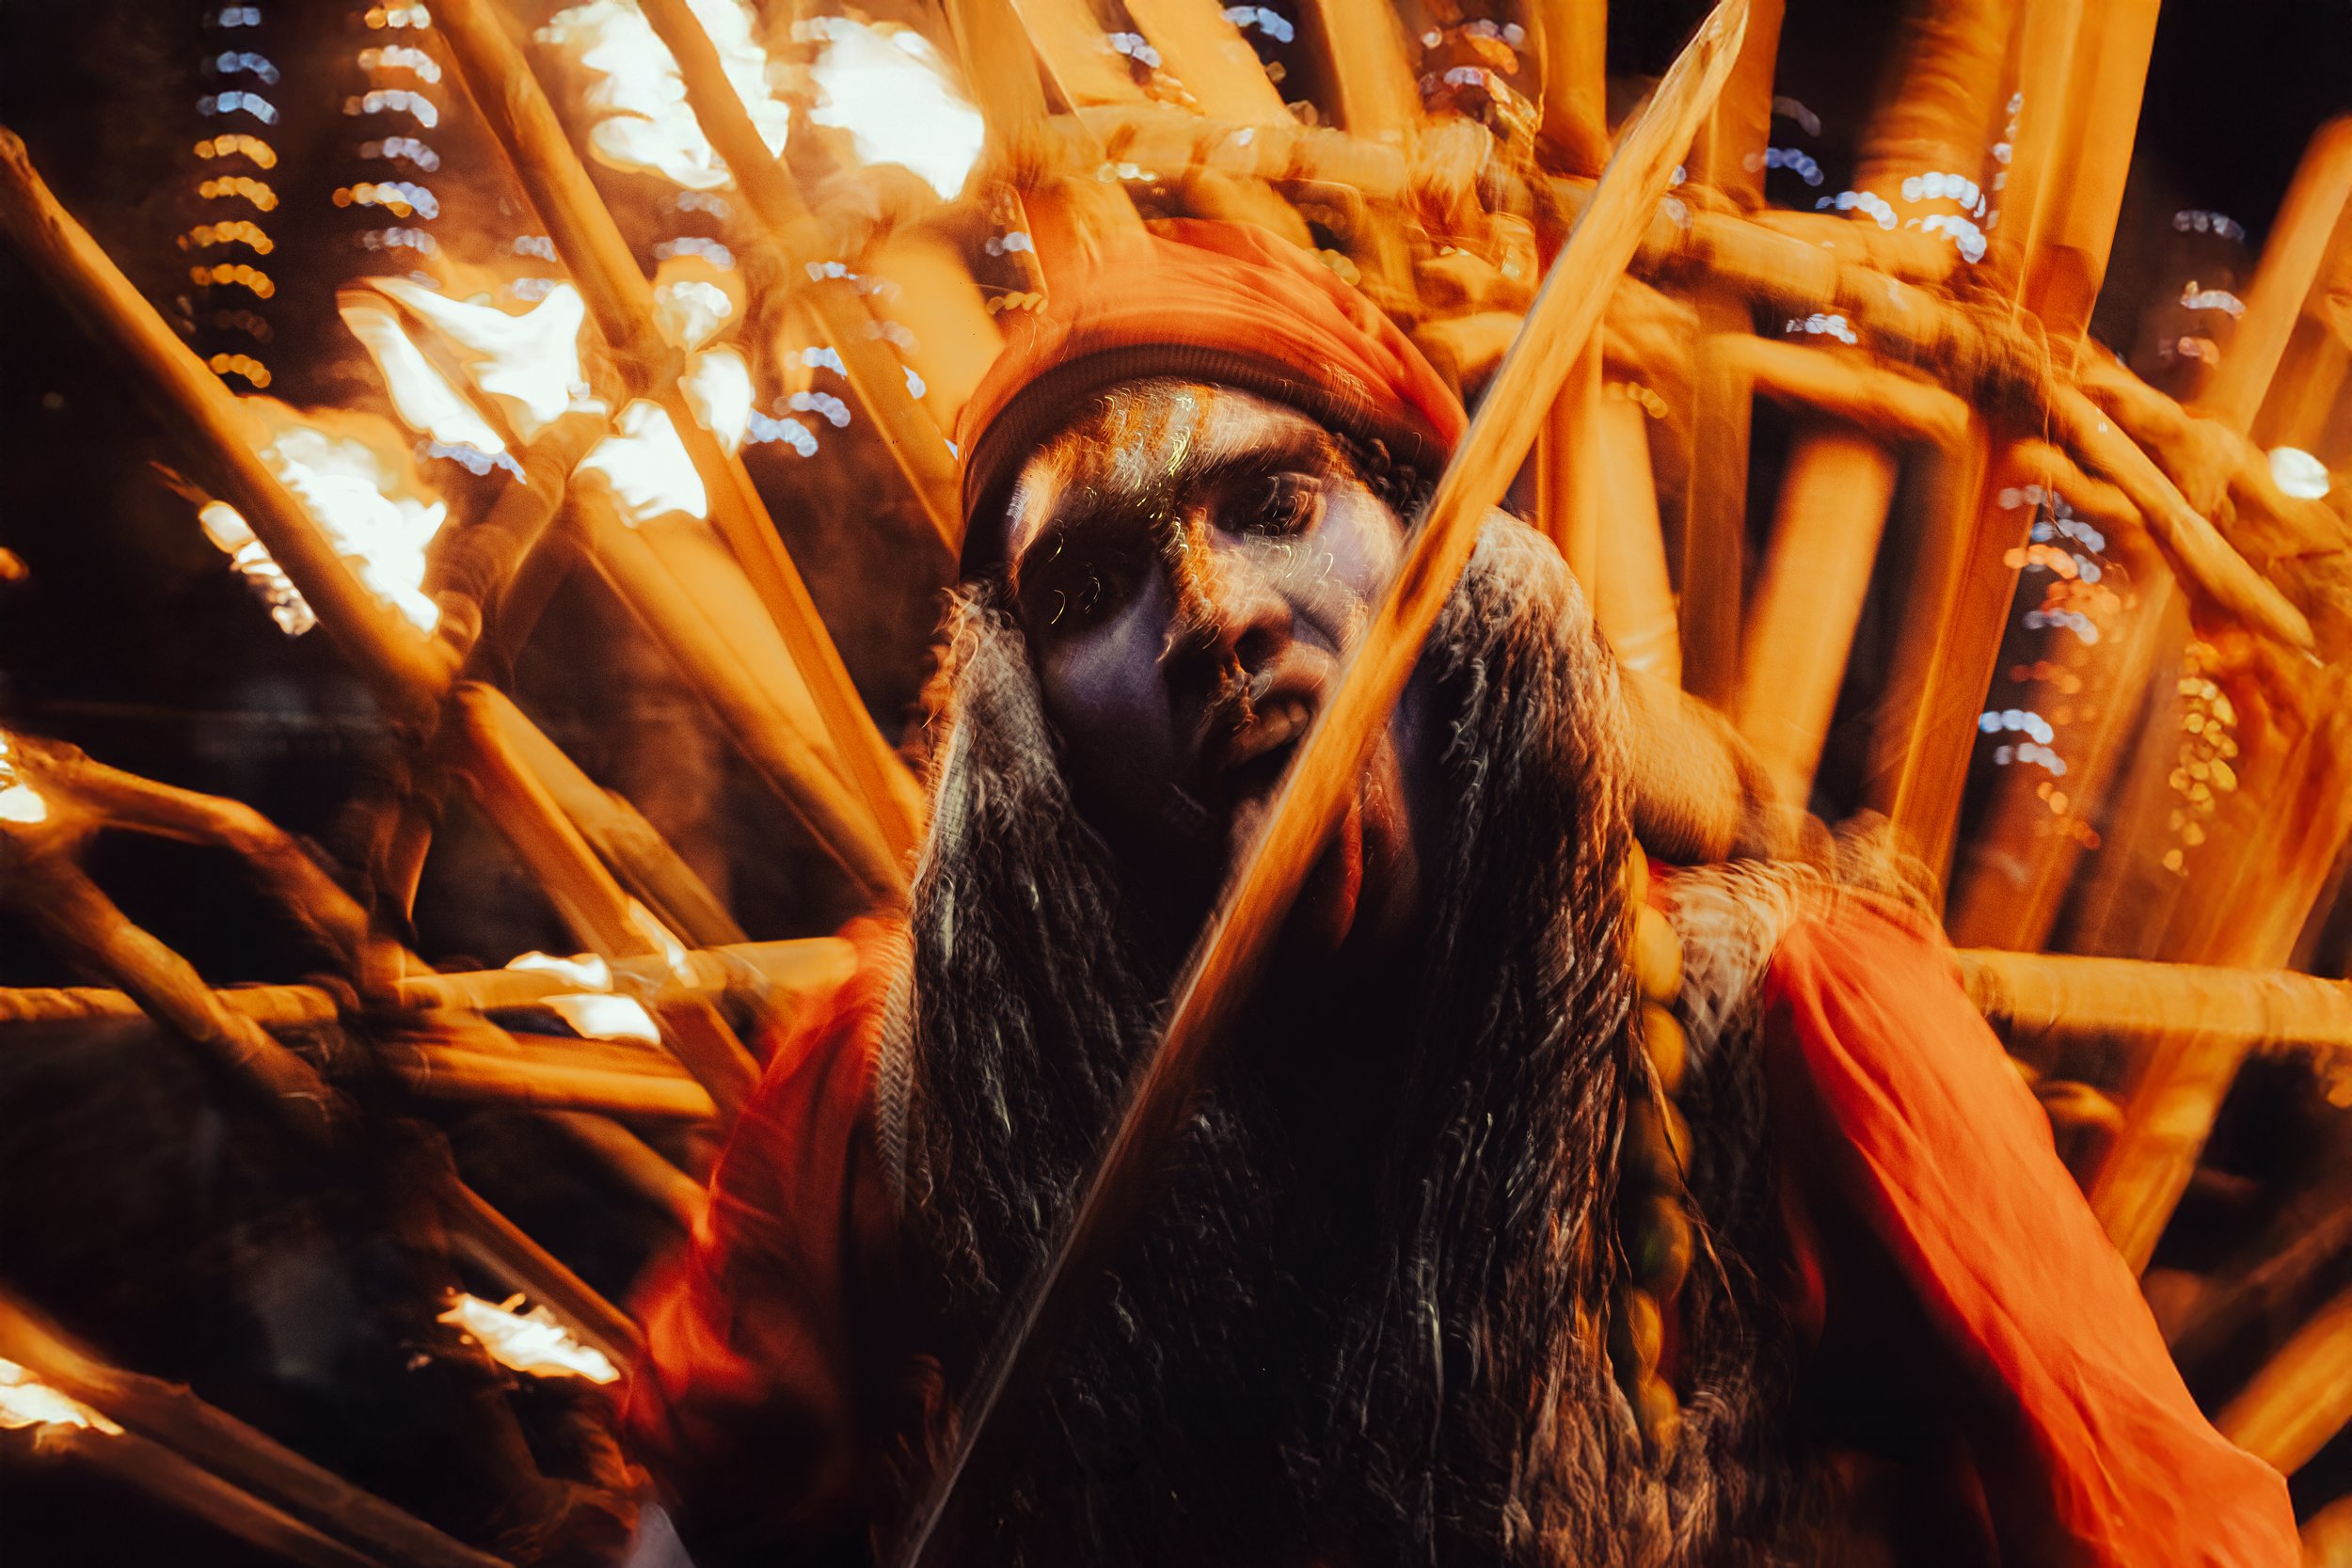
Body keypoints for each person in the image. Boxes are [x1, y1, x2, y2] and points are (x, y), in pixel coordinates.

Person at [625, 221, 2297, 1567]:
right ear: (1025, 725)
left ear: (1440, 561)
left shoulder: (1790, 1021)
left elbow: (2145, 1517)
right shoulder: (905, 1098)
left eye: (1275, 506)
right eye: (1089, 583)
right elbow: (700, 1525)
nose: (1213, 613)